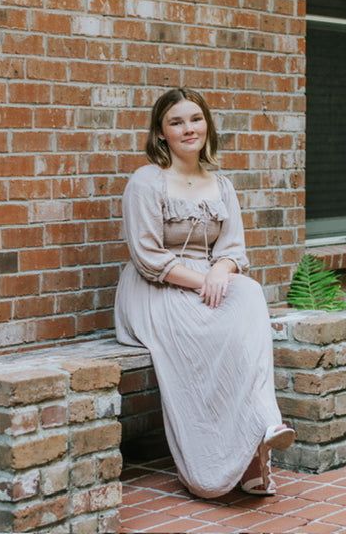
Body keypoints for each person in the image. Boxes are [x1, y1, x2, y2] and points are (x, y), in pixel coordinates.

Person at [114, 87, 295, 499]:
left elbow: (233, 251)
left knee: (248, 295)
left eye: (195, 119)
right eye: (176, 122)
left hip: (209, 282)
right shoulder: (147, 181)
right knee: (212, 338)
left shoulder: (222, 185)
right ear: (161, 134)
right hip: (155, 287)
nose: (188, 128)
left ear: (207, 124)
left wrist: (222, 270)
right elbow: (147, 257)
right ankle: (222, 463)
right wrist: (205, 280)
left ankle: (263, 428)